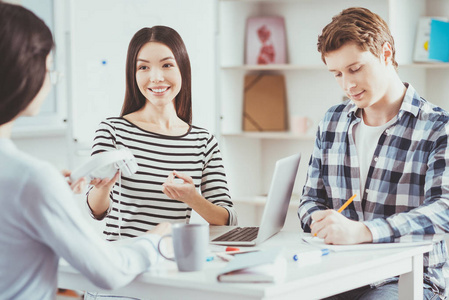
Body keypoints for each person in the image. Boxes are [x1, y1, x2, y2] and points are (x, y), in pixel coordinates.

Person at [0, 3, 171, 299]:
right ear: (22, 70)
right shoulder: (32, 179)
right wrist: (155, 241)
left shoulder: (30, 180)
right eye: (49, 68)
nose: (51, 80)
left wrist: (51, 191)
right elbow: (110, 272)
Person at [298, 7, 449, 299]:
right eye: (337, 74)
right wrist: (321, 221)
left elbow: (444, 210)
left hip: (410, 278)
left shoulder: (438, 127)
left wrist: (363, 232)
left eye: (355, 69)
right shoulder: (332, 121)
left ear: (386, 53)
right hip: (341, 271)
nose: (347, 84)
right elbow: (310, 200)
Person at [85, 25, 237, 241]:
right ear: (133, 74)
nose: (156, 77)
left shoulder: (203, 142)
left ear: (182, 69)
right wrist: (103, 187)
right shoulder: (112, 131)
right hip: (124, 262)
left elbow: (228, 219)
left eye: (167, 65)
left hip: (171, 264)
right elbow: (96, 211)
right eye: (143, 68)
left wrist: (193, 198)